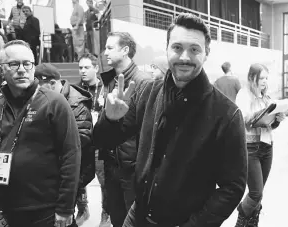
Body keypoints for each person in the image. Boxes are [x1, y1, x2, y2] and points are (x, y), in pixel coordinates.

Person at [94, 13, 248, 227]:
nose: (184, 56)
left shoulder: (227, 114)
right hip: (136, 215)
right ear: (167, 49)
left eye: (194, 49)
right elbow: (104, 141)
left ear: (206, 53)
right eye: (177, 47)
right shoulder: (148, 92)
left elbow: (233, 187)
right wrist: (109, 119)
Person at [0, 40, 81, 227]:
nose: (21, 69)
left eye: (27, 64)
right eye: (13, 64)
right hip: (7, 210)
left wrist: (65, 208)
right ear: (1, 70)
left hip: (47, 210)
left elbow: (71, 156)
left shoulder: (53, 102)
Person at [96, 31, 152, 227]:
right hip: (112, 166)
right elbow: (104, 127)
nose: (105, 53)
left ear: (125, 50)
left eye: (110, 48)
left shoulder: (145, 82)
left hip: (133, 170)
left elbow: (149, 131)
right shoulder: (110, 80)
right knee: (118, 220)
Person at [35, 62, 95, 227]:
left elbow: (81, 140)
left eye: (39, 87)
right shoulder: (48, 99)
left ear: (53, 83)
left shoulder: (76, 103)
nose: (36, 92)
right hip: (55, 171)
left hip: (72, 170)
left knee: (63, 217)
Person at [235, 63, 286, 227]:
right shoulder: (244, 95)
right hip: (251, 149)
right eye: (261, 78)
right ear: (252, 78)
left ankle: (251, 224)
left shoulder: (266, 97)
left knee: (259, 193)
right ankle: (241, 219)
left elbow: (269, 126)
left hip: (267, 146)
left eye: (266, 78)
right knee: (256, 193)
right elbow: (242, 120)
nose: (264, 81)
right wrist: (262, 114)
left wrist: (276, 119)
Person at [76, 53, 111, 227]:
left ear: (96, 68)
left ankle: (106, 212)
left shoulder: (105, 88)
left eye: (87, 67)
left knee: (104, 180)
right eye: (80, 67)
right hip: (81, 142)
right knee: (78, 178)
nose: (83, 71)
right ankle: (83, 208)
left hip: (99, 142)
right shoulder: (75, 90)